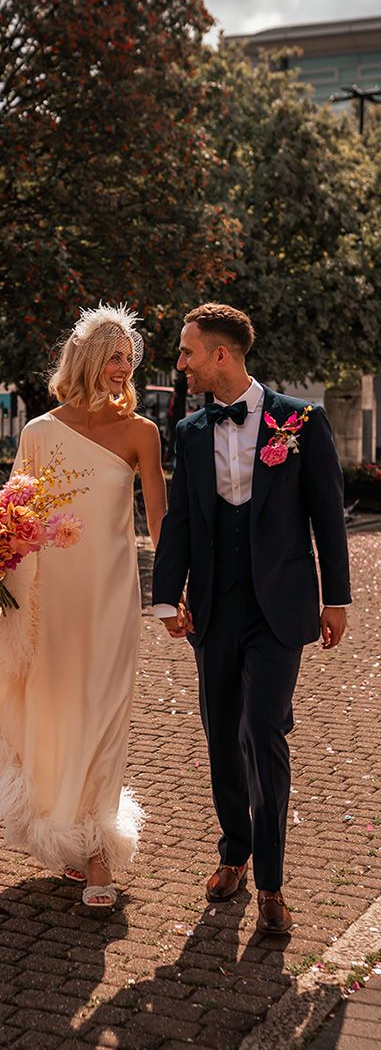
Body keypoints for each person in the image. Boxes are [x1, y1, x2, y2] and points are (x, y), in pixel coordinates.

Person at [153, 303, 351, 933]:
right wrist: (166, 597)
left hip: (281, 607)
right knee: (220, 738)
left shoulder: (299, 420)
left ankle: (270, 883)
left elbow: (328, 512)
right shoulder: (188, 432)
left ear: (221, 355)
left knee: (261, 732)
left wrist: (336, 598)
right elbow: (181, 521)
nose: (179, 363)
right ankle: (233, 851)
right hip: (214, 606)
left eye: (187, 352)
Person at [0, 304, 167, 908]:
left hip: (112, 598)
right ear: (88, 359)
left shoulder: (142, 434)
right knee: (57, 713)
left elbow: (160, 522)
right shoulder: (38, 433)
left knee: (105, 714)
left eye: (129, 358)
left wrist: (175, 594)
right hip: (50, 602)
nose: (124, 367)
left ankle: (99, 857)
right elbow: (14, 521)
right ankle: (69, 835)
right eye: (114, 355)